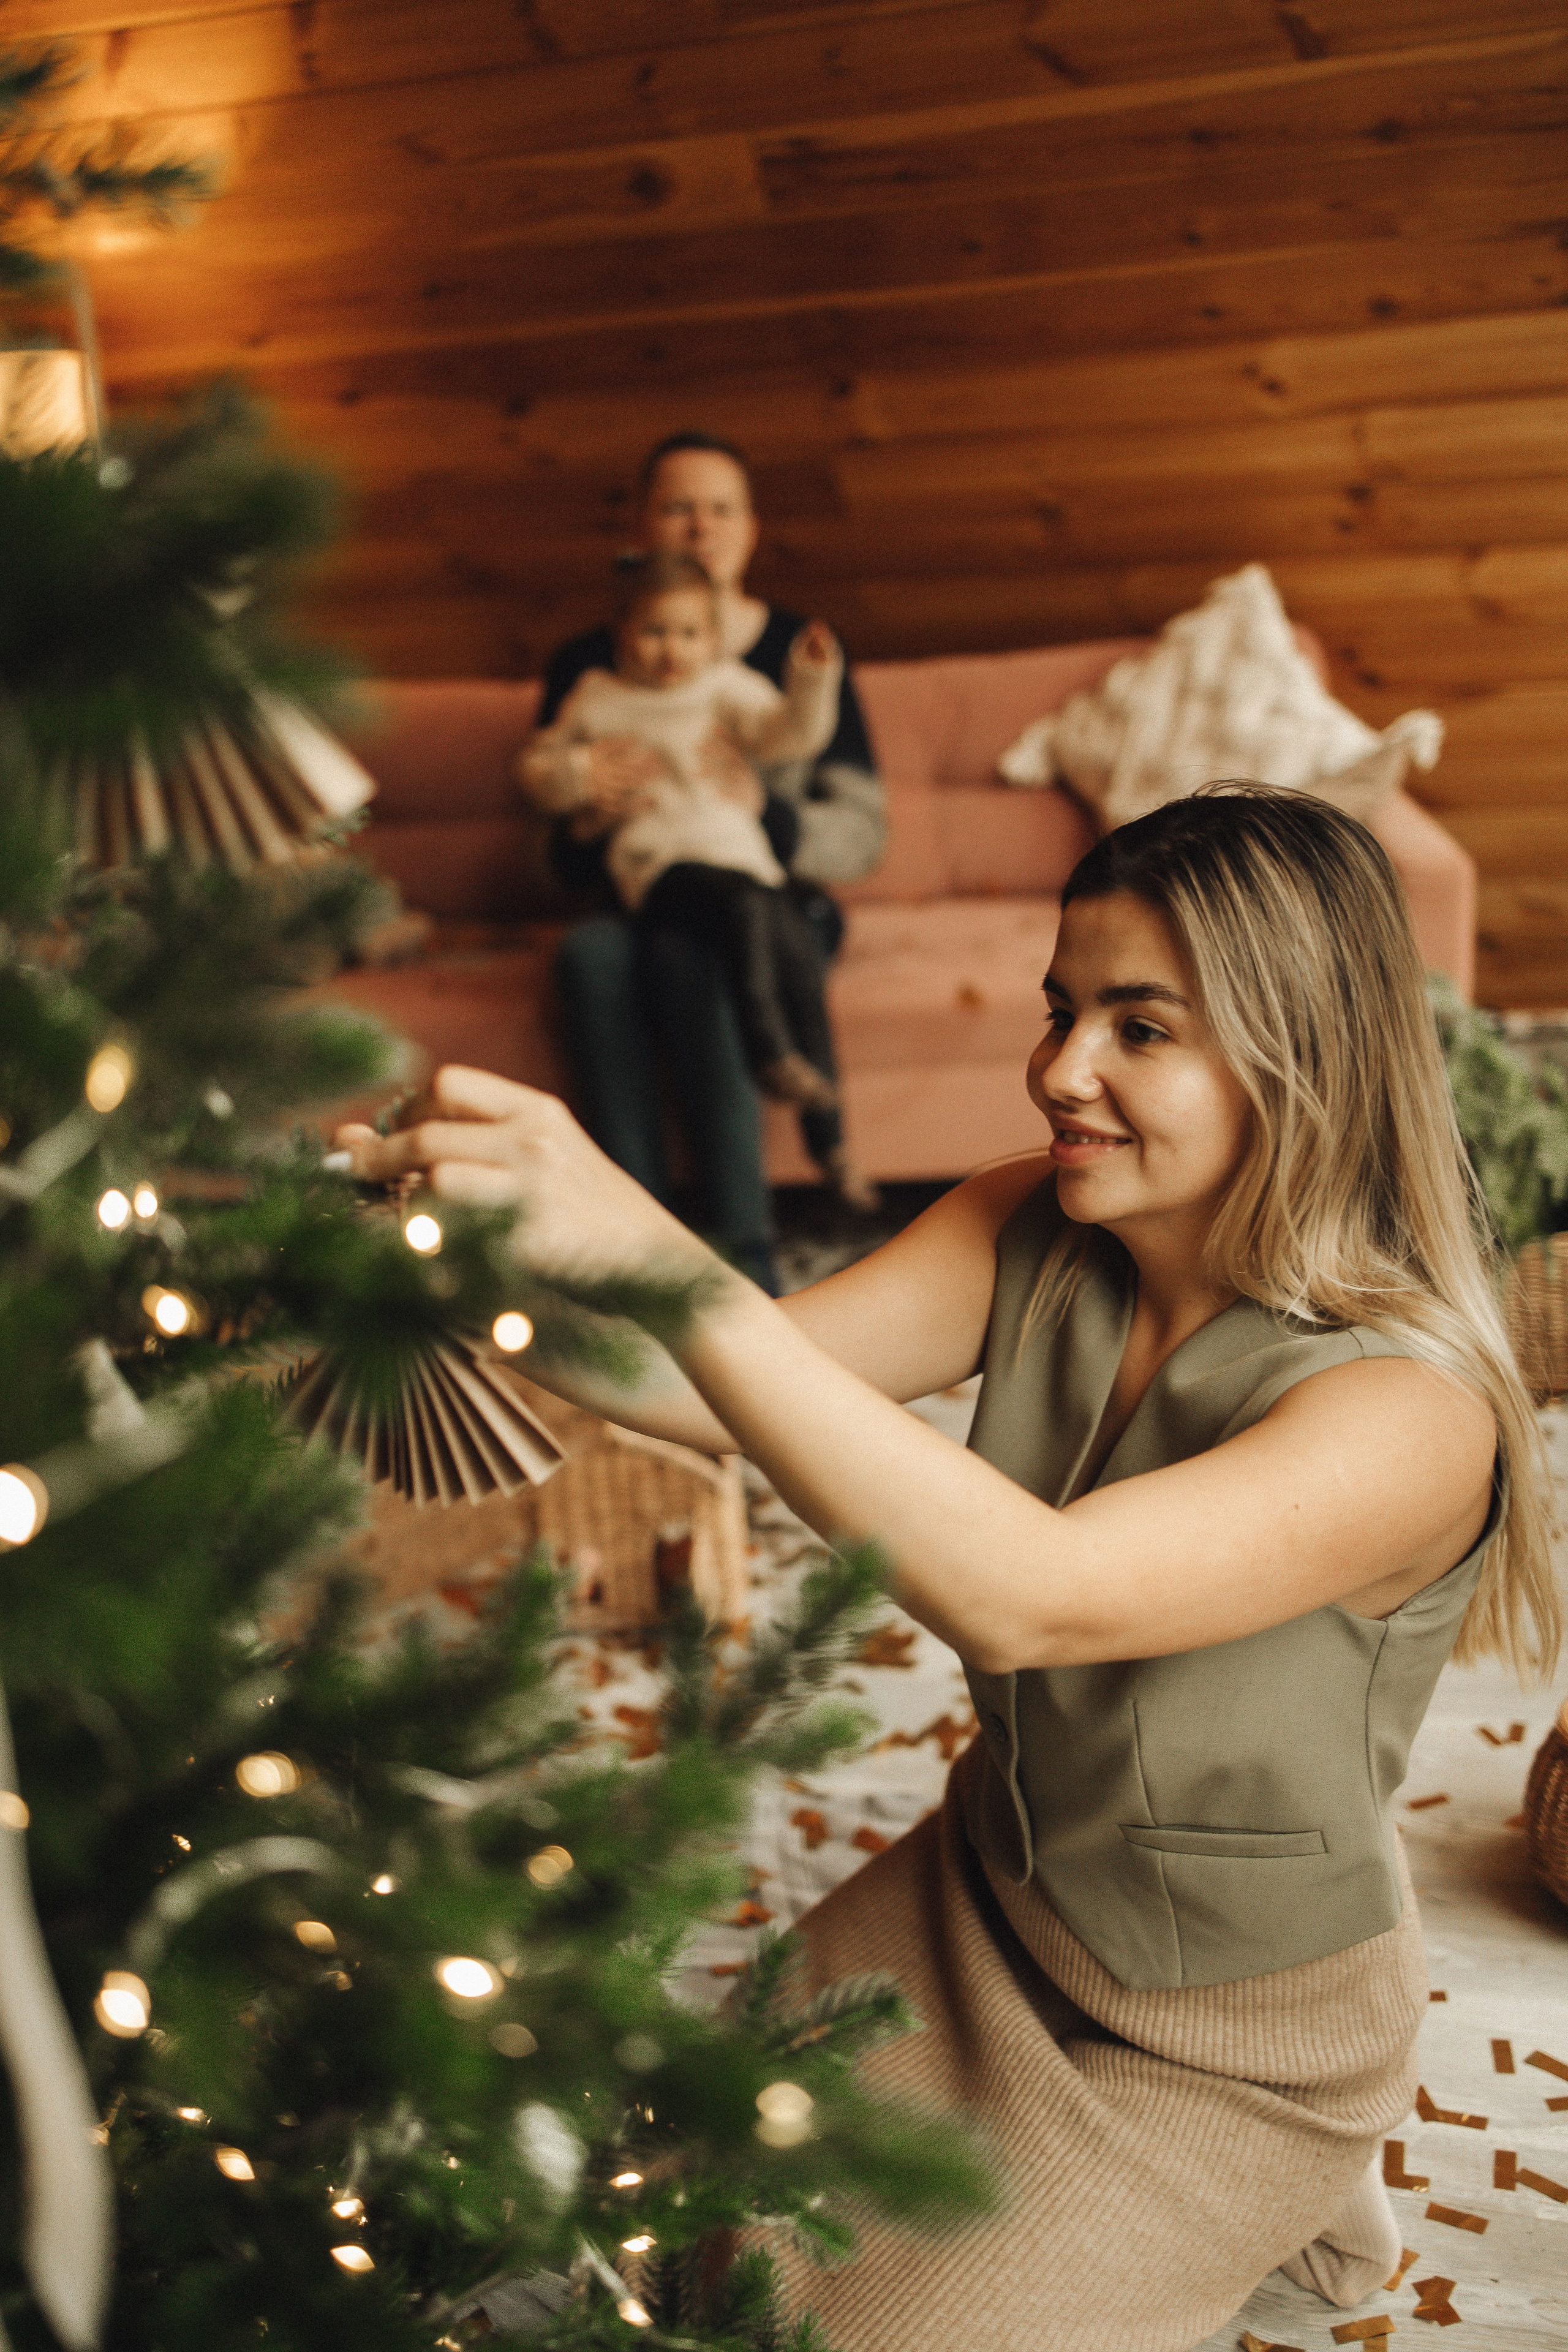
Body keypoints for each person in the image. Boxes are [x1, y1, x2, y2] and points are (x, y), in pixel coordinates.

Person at [337, 788, 1561, 2352]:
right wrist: (452, 1259)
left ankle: (1291, 2181)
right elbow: (720, 1379)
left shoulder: (1408, 1413)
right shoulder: (1030, 1224)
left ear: (1300, 1057)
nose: (1059, 1069)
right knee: (667, 2215)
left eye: (1137, 1028)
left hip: (1227, 2041)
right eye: (1062, 1011)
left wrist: (651, 1243)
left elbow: (1027, 1592)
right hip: (983, 1898)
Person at [535, 431, 886, 1290]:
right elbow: (550, 850)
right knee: (590, 955)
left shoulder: (797, 654)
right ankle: (634, 1242)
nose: (701, 527)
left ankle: (742, 1255)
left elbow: (862, 833)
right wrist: (588, 814)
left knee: (696, 958)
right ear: (642, 528)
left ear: (752, 529)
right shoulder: (591, 667)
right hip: (644, 887)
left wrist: (767, 811)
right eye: (679, 508)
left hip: (773, 895)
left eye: (721, 509)